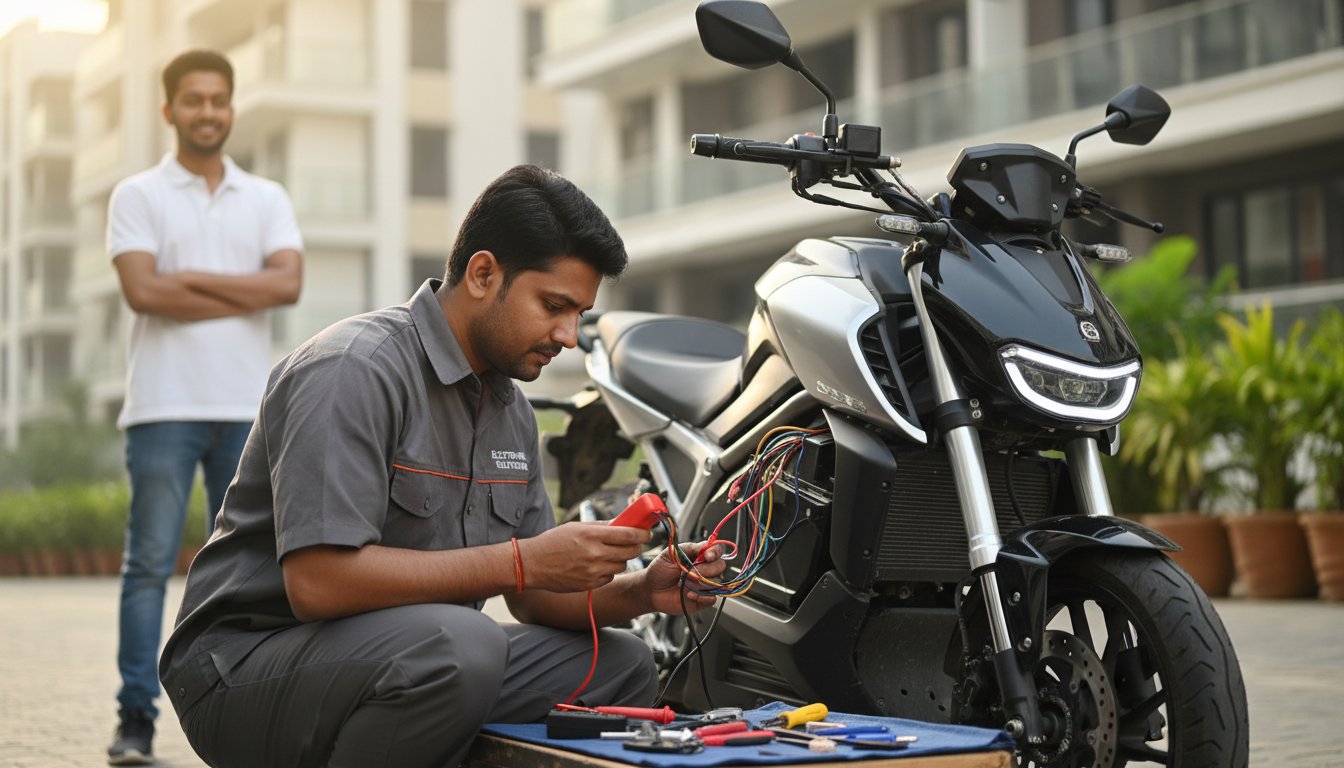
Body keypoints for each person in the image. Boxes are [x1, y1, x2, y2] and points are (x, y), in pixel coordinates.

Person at [158, 164, 725, 768]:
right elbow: (318, 582)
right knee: (462, 645)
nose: (568, 334)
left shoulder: (511, 410)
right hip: (242, 669)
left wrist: (642, 590)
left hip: (413, 658)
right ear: (483, 274)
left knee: (618, 664)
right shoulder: (354, 369)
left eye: (580, 313)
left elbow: (534, 598)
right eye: (554, 305)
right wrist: (521, 560)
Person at [105, 49, 303, 766]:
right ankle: (134, 721)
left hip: (249, 414)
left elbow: (287, 286)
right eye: (194, 100)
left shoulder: (266, 197)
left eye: (219, 99)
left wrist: (185, 275)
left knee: (250, 569)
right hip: (161, 407)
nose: (209, 111)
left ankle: (253, 712)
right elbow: (143, 293)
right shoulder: (137, 194)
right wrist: (239, 283)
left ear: (231, 106)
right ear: (170, 110)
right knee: (148, 567)